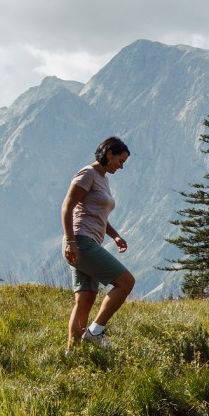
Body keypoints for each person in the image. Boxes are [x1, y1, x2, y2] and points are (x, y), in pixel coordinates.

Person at [62, 136, 135, 347]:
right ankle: (95, 332)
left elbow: (97, 214)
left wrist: (115, 236)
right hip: (81, 242)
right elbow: (67, 207)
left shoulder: (103, 179)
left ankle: (72, 353)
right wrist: (70, 241)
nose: (121, 167)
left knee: (85, 300)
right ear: (109, 154)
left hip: (87, 241)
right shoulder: (88, 174)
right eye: (120, 161)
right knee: (126, 282)